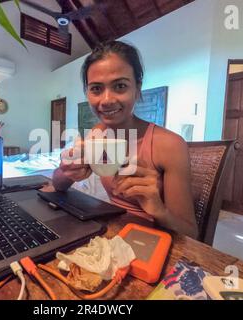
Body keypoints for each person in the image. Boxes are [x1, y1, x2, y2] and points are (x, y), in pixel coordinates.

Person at [52, 40, 198, 239]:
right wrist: (68, 169)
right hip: (112, 233)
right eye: (96, 89)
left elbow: (191, 235)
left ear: (137, 88)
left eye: (120, 86)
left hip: (153, 244)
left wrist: (158, 210)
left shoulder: (170, 145)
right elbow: (58, 185)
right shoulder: (97, 133)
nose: (106, 100)